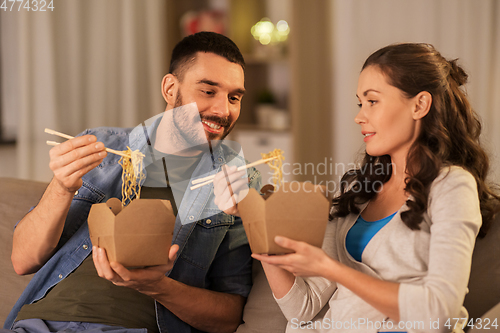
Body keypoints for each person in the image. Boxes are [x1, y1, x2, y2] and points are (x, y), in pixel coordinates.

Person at [214, 43, 500, 332]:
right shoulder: (357, 189)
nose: (359, 116)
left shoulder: (452, 186)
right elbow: (301, 309)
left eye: (372, 101)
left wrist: (330, 269)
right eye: (359, 103)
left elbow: (440, 312)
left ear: (419, 105)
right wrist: (255, 221)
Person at [3, 31, 262, 333]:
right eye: (208, 92)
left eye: (234, 98)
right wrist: (61, 188)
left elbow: (230, 317)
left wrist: (157, 287)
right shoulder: (100, 145)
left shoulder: (238, 179)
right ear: (169, 88)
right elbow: (22, 261)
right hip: (38, 325)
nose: (223, 110)